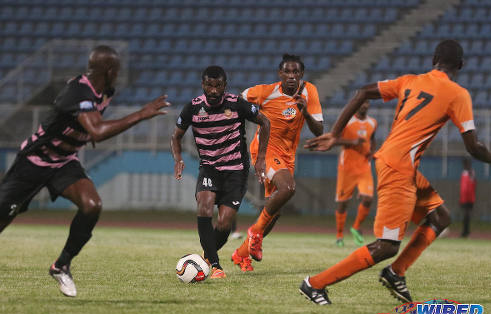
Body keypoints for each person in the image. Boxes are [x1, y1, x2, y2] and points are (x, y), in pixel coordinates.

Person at [300, 40, 491, 305]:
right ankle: (315, 284)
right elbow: (473, 147)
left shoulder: (410, 80)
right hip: (399, 167)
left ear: (433, 60)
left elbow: (362, 91)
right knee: (387, 245)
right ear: (461, 66)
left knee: (440, 217)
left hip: (398, 162)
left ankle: (396, 273)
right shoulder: (457, 94)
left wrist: (335, 133)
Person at [0, 45, 171, 297]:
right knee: (3, 216)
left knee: (92, 204)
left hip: (64, 161)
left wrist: (83, 134)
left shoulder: (105, 90)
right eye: (117, 69)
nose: (119, 74)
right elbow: (98, 132)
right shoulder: (78, 90)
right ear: (110, 70)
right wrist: (141, 114)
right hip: (35, 160)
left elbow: (86, 126)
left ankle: (61, 265)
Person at [170, 66, 270, 279]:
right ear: (202, 85)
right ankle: (216, 266)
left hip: (236, 170)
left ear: (225, 86)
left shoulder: (236, 104)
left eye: (218, 86)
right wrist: (178, 159)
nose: (213, 90)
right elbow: (175, 136)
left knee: (225, 223)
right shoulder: (193, 108)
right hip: (209, 168)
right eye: (209, 85)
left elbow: (265, 122)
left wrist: (260, 158)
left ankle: (204, 259)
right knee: (204, 207)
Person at [231, 54, 324, 272]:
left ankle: (241, 254)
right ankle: (254, 233)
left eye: (296, 72)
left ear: (301, 74)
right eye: (287, 72)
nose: (291, 76)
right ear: (280, 74)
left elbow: (319, 130)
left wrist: (305, 112)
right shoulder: (265, 92)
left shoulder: (309, 91)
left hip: (288, 155)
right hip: (265, 151)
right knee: (288, 187)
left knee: (274, 213)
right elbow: (238, 100)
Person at [330, 101, 376, 247]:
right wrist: (353, 141)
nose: (364, 105)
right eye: (362, 103)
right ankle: (339, 235)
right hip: (347, 169)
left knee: (368, 198)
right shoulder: (347, 121)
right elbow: (333, 140)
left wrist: (372, 152)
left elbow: (372, 139)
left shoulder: (373, 122)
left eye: (367, 102)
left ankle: (356, 227)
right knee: (342, 204)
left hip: (364, 167)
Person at [459, 157, 476, 238]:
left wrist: (471, 198)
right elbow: (463, 187)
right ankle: (465, 232)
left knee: (467, 215)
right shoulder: (464, 172)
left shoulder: (470, 172)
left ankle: (466, 232)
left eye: (466, 163)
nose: (465, 165)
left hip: (469, 198)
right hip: (464, 198)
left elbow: (472, 186)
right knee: (465, 216)